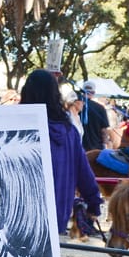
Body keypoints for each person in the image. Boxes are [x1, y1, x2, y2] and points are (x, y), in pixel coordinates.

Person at [20, 69, 103, 232]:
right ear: (55, 94)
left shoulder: (15, 129)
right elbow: (83, 172)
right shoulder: (68, 132)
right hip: (56, 215)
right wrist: (94, 204)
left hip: (19, 216)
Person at [79, 80, 112, 151]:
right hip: (96, 148)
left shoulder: (75, 106)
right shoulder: (100, 108)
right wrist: (105, 145)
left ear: (82, 91)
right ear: (93, 93)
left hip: (78, 146)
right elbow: (104, 130)